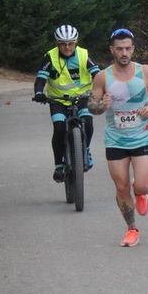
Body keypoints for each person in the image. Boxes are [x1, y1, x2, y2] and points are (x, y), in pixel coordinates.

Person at [88, 28, 148, 247]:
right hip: (115, 139)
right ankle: (132, 229)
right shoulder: (103, 76)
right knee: (121, 187)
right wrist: (100, 106)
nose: (124, 52)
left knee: (142, 186)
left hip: (141, 136)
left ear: (133, 49)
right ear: (112, 50)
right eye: (119, 48)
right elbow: (92, 105)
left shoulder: (145, 71)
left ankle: (140, 193)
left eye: (128, 48)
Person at [33, 25, 100, 182]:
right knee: (59, 127)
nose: (67, 47)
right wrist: (38, 93)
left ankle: (86, 151)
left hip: (83, 97)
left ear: (76, 42)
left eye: (70, 43)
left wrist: (101, 89)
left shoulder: (84, 55)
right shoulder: (50, 57)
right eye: (63, 43)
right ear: (57, 43)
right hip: (57, 100)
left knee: (88, 121)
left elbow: (97, 74)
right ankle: (58, 165)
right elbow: (41, 79)